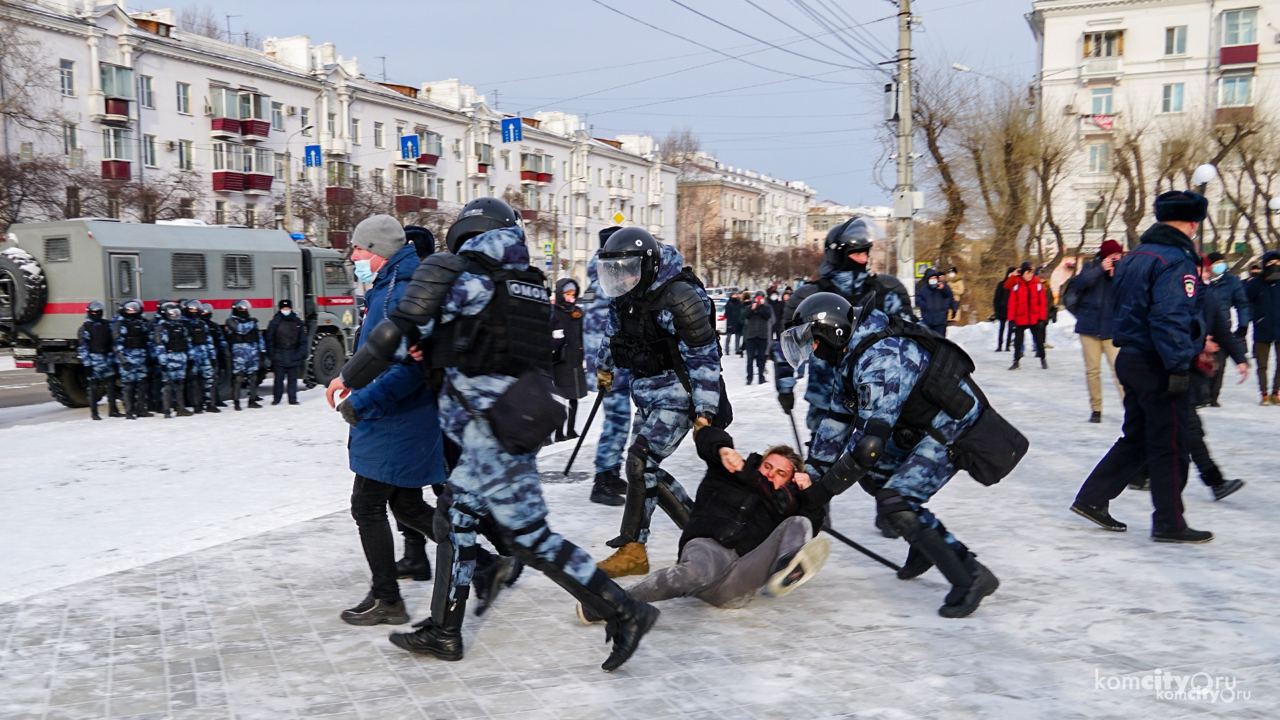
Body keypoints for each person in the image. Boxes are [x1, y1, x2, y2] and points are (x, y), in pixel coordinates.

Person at [337, 198, 658, 672]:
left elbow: (397, 335)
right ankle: (445, 631)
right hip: (510, 418)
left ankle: (625, 611)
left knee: (531, 538)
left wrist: (351, 379)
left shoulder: (462, 274)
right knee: (455, 518)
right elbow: (479, 343)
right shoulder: (522, 282)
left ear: (467, 230)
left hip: (492, 431)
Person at [786, 292, 1019, 618]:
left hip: (953, 430)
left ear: (831, 331)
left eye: (812, 340)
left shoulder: (881, 360)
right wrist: (812, 471)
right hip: (923, 427)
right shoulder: (850, 355)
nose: (811, 349)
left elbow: (868, 446)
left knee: (896, 499)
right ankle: (923, 548)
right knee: (876, 477)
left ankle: (971, 576)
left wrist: (823, 492)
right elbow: (836, 420)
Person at [1071, 190, 1215, 543]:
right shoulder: (1176, 262)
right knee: (1171, 442)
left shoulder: (1135, 257)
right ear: (1192, 223)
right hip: (1158, 363)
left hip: (1131, 358)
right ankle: (1169, 521)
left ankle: (1092, 498)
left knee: (1136, 436)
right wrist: (1180, 364)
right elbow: (1170, 317)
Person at [578, 428, 829, 618]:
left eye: (780, 474)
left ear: (789, 482)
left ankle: (784, 568)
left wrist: (807, 496)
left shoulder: (785, 506)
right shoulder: (731, 471)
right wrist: (722, 448)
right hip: (707, 549)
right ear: (760, 462)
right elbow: (706, 436)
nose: (770, 474)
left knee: (799, 522)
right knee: (695, 572)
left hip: (739, 578)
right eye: (767, 466)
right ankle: (608, 604)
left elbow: (812, 523)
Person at [335, 214, 447, 626]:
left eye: (360, 249)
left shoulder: (399, 293)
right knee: (404, 502)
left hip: (394, 416)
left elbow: (406, 367)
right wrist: (348, 377)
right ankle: (484, 565)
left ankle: (389, 599)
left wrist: (362, 402)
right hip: (396, 415)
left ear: (379, 252)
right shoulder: (388, 287)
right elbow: (375, 353)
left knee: (366, 506)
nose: (354, 257)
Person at [594, 227, 723, 578]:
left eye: (628, 269)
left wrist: (705, 412)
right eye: (616, 271)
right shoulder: (626, 294)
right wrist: (604, 368)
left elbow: (704, 359)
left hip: (681, 394)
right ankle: (704, 536)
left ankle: (632, 547)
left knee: (639, 460)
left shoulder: (680, 298)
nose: (621, 278)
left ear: (647, 265)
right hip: (647, 393)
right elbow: (613, 334)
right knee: (644, 469)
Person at [778, 217, 912, 438]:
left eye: (866, 253)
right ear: (838, 255)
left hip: (877, 396)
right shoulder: (811, 296)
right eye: (856, 253)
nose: (863, 259)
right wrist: (785, 383)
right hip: (827, 399)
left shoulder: (885, 292)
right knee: (823, 460)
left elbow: (908, 342)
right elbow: (788, 344)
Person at [583, 227, 628, 506]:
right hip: (610, 367)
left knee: (619, 421)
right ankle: (603, 479)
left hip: (609, 365)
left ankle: (611, 472)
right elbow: (605, 330)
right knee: (618, 422)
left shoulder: (599, 278)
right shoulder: (608, 282)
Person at [1072, 239, 1124, 422]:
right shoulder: (1091, 266)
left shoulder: (1124, 269)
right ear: (1105, 255)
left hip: (1112, 330)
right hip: (1089, 327)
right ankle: (1096, 409)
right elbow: (1079, 284)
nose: (1116, 258)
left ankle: (1130, 408)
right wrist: (1101, 269)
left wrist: (1117, 273)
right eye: (1113, 255)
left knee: (1120, 371)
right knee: (1093, 371)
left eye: (1119, 255)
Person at [1201, 253, 1248, 408]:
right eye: (1216, 263)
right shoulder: (1199, 285)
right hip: (1202, 329)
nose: (1220, 265)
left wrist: (1243, 324)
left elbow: (1242, 303)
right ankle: (1203, 393)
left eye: (1223, 262)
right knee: (1202, 362)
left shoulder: (1231, 282)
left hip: (1221, 325)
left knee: (1219, 364)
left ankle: (1213, 396)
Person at [551, 277, 588, 442]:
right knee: (560, 398)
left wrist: (583, 352)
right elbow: (549, 334)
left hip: (575, 360)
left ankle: (571, 430)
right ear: (560, 293)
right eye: (567, 293)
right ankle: (559, 433)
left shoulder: (577, 312)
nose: (570, 296)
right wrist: (556, 338)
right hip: (560, 362)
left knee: (574, 397)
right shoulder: (554, 312)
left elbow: (582, 335)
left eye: (573, 293)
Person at [1245, 251, 1280, 405]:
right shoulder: (1256, 283)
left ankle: (1276, 392)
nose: (1275, 266)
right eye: (1271, 263)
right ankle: (1264, 393)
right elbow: (1245, 301)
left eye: (1278, 263)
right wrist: (1255, 317)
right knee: (1262, 364)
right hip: (1262, 328)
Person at [77, 301, 121, 420]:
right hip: (94, 359)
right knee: (93, 387)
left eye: (98, 311)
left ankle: (113, 410)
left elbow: (113, 342)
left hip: (107, 358)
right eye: (94, 312)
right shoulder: (85, 328)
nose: (96, 314)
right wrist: (87, 365)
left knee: (111, 386)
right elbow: (83, 347)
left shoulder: (107, 325)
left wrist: (115, 359)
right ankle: (94, 413)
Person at [152, 301, 193, 418]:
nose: (175, 315)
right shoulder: (162, 327)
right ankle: (166, 410)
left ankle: (181, 408)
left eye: (176, 312)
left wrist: (190, 357)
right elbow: (159, 346)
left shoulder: (181, 327)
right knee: (168, 385)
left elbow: (187, 342)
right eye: (172, 313)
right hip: (169, 358)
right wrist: (163, 362)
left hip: (181, 358)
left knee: (180, 384)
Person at [113, 299, 152, 419]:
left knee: (142, 384)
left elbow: (147, 339)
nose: (132, 312)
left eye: (134, 310)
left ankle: (141, 409)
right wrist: (123, 360)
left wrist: (148, 356)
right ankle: (129, 411)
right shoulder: (120, 324)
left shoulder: (141, 323)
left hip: (140, 357)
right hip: (127, 358)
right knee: (128, 386)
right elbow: (116, 344)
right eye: (130, 310)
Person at [1005, 262, 1048, 370]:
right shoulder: (1016, 285)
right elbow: (1011, 304)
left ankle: (1043, 359)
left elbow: (1043, 303)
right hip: (1020, 318)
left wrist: (1042, 318)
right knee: (1018, 341)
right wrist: (1011, 319)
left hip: (1034, 318)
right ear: (1023, 273)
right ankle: (1016, 361)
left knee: (1039, 340)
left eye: (1031, 272)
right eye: (1028, 272)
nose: (1030, 275)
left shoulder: (1038, 285)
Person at [225, 300, 266, 410]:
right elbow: (240, 330)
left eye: (245, 309)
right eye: (241, 309)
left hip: (252, 353)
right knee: (239, 377)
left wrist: (262, 350)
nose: (244, 311)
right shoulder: (231, 321)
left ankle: (252, 400)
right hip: (240, 354)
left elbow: (259, 336)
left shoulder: (251, 321)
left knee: (253, 377)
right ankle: (236, 402)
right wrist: (252, 323)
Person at [265, 298, 307, 405]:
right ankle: (277, 399)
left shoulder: (297, 322)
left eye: (287, 307)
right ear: (280, 309)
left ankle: (292, 399)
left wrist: (300, 354)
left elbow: (303, 340)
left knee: (293, 380)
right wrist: (272, 354)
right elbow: (269, 339)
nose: (286, 309)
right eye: (284, 308)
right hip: (279, 355)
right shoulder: (275, 322)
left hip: (293, 354)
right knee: (278, 380)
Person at [181, 299, 218, 414]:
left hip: (204, 355)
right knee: (194, 381)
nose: (194, 311)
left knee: (208, 379)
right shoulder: (183, 324)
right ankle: (197, 404)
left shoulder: (202, 324)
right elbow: (186, 342)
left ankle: (210, 403)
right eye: (191, 309)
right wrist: (190, 358)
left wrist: (212, 356)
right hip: (192, 356)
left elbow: (209, 340)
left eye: (195, 309)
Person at [200, 303, 230, 409]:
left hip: (214, 354)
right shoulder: (200, 325)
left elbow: (221, 339)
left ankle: (216, 399)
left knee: (215, 378)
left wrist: (225, 352)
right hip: (203, 355)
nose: (206, 314)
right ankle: (207, 402)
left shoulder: (214, 326)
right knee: (205, 380)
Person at [915, 268, 958, 337]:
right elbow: (918, 300)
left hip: (941, 321)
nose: (933, 280)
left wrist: (954, 309)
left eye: (935, 278)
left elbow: (950, 296)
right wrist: (925, 306)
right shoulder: (923, 289)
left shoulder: (943, 287)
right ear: (927, 279)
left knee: (940, 341)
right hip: (928, 321)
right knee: (930, 341)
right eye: (931, 278)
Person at [743, 291, 773, 385]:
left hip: (762, 336)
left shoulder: (767, 308)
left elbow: (767, 316)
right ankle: (749, 378)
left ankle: (761, 378)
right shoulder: (750, 307)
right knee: (750, 359)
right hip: (751, 336)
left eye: (761, 298)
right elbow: (745, 316)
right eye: (757, 298)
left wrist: (760, 308)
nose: (759, 299)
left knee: (761, 359)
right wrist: (753, 309)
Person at [993, 267, 1016, 352]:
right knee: (1001, 328)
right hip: (1002, 309)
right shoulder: (1001, 284)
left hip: (1011, 309)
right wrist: (996, 310)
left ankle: (1007, 346)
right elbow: (996, 298)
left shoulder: (1015, 285)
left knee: (1011, 328)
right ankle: (999, 345)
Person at [724, 292, 745, 356]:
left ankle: (737, 349)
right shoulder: (729, 303)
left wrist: (741, 320)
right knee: (728, 337)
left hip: (738, 322)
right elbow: (726, 313)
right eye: (734, 295)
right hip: (730, 322)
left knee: (737, 337)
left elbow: (742, 312)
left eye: (736, 295)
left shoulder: (740, 303)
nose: (735, 296)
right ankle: (727, 350)